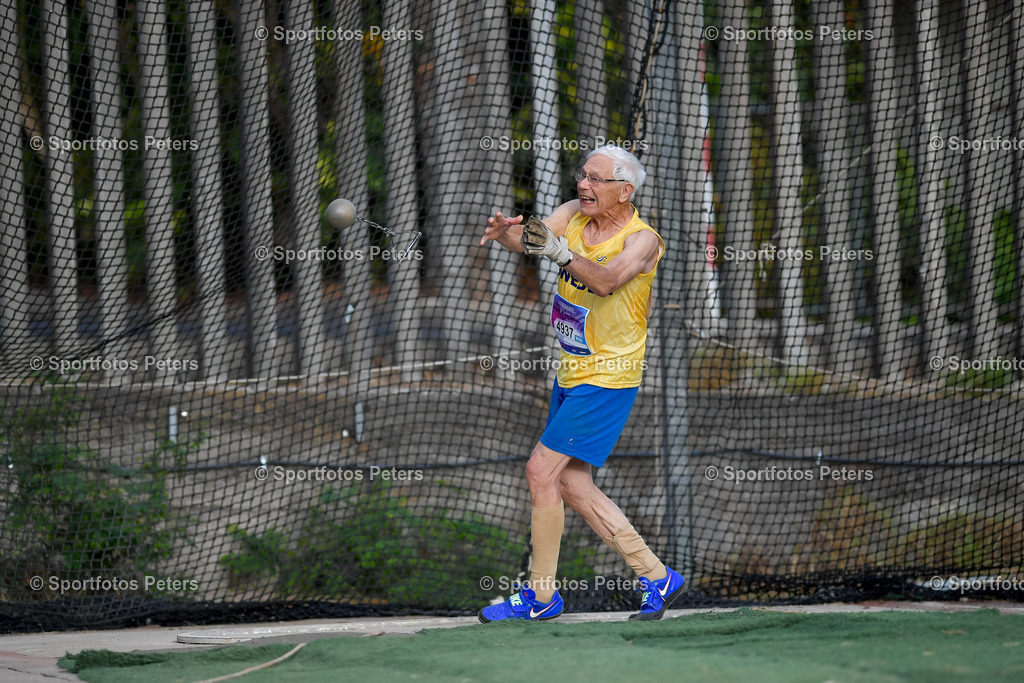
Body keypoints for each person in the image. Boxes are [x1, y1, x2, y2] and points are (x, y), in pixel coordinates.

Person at [476, 145, 684, 622]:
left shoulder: (643, 240)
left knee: (539, 471)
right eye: (582, 176)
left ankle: (542, 597)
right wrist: (508, 235)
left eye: (595, 179)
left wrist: (558, 251)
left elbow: (608, 281)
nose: (583, 186)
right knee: (571, 484)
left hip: (609, 377)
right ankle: (657, 576)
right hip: (572, 370)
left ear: (624, 191)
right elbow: (535, 244)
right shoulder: (572, 213)